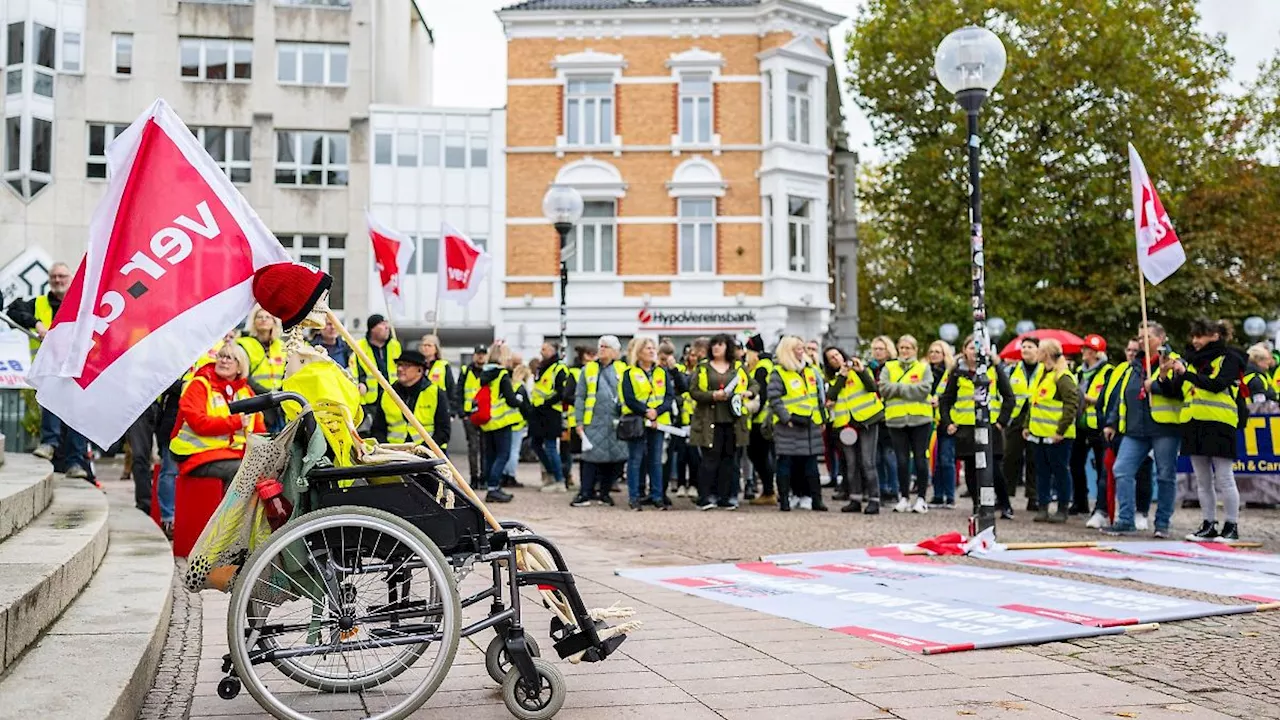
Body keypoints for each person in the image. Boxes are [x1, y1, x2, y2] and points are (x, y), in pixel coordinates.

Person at [11, 263, 92, 479]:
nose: (58, 280)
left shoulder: (83, 305)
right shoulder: (39, 304)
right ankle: (50, 444)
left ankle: (75, 463)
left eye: (62, 276)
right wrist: (36, 324)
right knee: (52, 406)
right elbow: (13, 310)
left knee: (75, 417)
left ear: (71, 278)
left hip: (76, 370)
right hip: (50, 370)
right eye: (54, 276)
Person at [1102, 321, 1183, 537]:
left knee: (1165, 475)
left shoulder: (1174, 361)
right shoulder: (1135, 365)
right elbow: (1122, 395)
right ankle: (1126, 519)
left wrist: (1154, 385)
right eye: (1139, 338)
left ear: (1161, 338)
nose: (1141, 341)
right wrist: (1111, 422)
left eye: (1146, 337)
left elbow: (1179, 389)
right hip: (1135, 428)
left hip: (1164, 427)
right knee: (1122, 469)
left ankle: (1162, 523)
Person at [1174, 319, 1246, 542]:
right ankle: (1208, 524)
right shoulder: (1190, 360)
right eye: (1193, 336)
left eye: (1200, 336)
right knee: (1202, 480)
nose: (1195, 341)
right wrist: (1167, 376)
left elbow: (1217, 384)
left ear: (1215, 335)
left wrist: (1185, 373)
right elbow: (1178, 391)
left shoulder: (1230, 357)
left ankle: (1231, 526)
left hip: (1219, 422)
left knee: (1224, 477)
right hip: (1194, 422)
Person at [169, 343, 265, 487]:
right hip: (196, 456)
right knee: (240, 472)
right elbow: (198, 423)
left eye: (230, 358)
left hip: (231, 456)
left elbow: (259, 432)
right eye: (221, 356)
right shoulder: (199, 385)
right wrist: (235, 422)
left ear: (240, 367)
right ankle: (230, 511)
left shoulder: (246, 392)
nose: (223, 360)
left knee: (265, 473)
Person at [940, 335, 1015, 518]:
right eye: (971, 348)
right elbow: (946, 400)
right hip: (966, 429)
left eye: (978, 348)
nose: (974, 352)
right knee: (972, 471)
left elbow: (1009, 397)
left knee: (994, 469)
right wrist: (949, 422)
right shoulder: (957, 372)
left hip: (990, 427)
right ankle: (977, 506)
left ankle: (1004, 504)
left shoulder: (994, 370)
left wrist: (1001, 422)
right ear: (964, 350)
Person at [690, 334, 751, 510]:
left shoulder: (738, 367)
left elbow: (753, 385)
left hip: (733, 419)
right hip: (709, 419)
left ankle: (727, 496)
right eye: (714, 345)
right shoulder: (703, 367)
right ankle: (706, 496)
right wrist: (712, 396)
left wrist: (748, 393)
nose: (716, 347)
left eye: (721, 345)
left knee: (729, 460)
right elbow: (693, 391)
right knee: (709, 459)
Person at [768, 335, 827, 511]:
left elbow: (817, 397)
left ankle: (816, 499)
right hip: (790, 424)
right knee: (785, 462)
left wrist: (822, 418)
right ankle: (785, 499)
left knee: (811, 464)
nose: (802, 352)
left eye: (802, 348)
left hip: (810, 424)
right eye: (798, 349)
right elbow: (774, 399)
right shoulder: (779, 372)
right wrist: (786, 418)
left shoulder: (809, 371)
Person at [825, 346, 885, 514]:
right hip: (846, 425)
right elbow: (831, 395)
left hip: (866, 420)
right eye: (831, 358)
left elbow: (872, 387)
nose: (835, 358)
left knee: (867, 462)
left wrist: (861, 371)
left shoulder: (860, 370)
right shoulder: (833, 378)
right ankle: (855, 498)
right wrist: (842, 376)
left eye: (837, 354)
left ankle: (874, 499)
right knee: (851, 464)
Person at [1025, 339, 1079, 523]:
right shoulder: (1043, 373)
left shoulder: (1062, 376)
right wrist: (1027, 426)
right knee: (1042, 472)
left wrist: (1061, 430)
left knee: (1060, 471)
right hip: (1039, 433)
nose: (1036, 353)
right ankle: (1043, 507)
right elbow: (1034, 402)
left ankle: (1063, 508)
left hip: (1057, 436)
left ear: (1046, 353)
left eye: (1039, 350)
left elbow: (1071, 404)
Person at [571, 336, 628, 507]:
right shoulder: (588, 369)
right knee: (590, 459)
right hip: (593, 421)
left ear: (615, 351)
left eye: (606, 346)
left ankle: (605, 492)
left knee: (615, 459)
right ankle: (585, 492)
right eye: (600, 346)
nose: (601, 349)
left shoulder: (622, 369)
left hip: (615, 421)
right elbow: (580, 396)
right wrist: (578, 420)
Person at [879, 335, 933, 513]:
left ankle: (921, 498)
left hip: (920, 419)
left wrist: (898, 388)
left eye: (908, 348)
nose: (904, 351)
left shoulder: (923, 367)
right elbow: (884, 389)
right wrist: (908, 389)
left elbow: (924, 389)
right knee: (901, 460)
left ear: (915, 350)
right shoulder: (889, 367)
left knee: (920, 458)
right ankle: (903, 496)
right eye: (902, 348)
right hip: (896, 419)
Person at [620, 336, 673, 510]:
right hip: (637, 422)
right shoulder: (629, 373)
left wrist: (657, 412)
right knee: (635, 459)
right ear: (639, 352)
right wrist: (646, 411)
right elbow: (629, 398)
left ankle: (657, 496)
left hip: (658, 422)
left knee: (656, 460)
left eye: (653, 348)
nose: (652, 351)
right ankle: (634, 497)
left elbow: (668, 396)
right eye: (647, 348)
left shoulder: (661, 372)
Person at [127, 379, 183, 535]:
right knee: (140, 458)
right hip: (139, 405)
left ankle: (159, 509)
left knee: (166, 461)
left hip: (163, 409)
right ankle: (145, 505)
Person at [1073, 334, 1115, 524]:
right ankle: (1080, 502)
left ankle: (1101, 508)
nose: (1084, 352)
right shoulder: (1079, 372)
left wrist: (1087, 398)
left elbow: (1108, 399)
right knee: (1075, 465)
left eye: (1088, 349)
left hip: (1098, 427)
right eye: (1084, 348)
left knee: (1102, 469)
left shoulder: (1108, 372)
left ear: (1097, 354)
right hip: (1080, 425)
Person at [475, 342, 524, 503]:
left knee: (490, 456)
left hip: (488, 422)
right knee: (503, 455)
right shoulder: (502, 374)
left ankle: (491, 487)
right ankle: (494, 488)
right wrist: (519, 398)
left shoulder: (485, 373)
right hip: (501, 421)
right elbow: (510, 399)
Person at [1004, 337, 1043, 510]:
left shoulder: (1045, 370)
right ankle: (1005, 495)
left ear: (1038, 350)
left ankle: (1033, 496)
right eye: (1023, 346)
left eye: (1030, 347)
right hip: (1015, 418)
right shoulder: (1012, 370)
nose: (1025, 349)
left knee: (1034, 460)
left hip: (1037, 418)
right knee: (1010, 457)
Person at [383, 350, 451, 450]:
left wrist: (423, 450)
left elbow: (443, 431)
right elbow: (378, 429)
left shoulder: (435, 393)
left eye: (406, 365)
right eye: (399, 365)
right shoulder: (388, 394)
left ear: (420, 370)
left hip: (427, 455)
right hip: (393, 455)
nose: (400, 369)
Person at [350, 314, 401, 441]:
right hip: (368, 402)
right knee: (366, 436)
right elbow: (353, 370)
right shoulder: (359, 346)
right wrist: (358, 385)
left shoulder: (395, 345)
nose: (387, 327)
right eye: (382, 324)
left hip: (392, 398)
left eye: (387, 324)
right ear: (373, 328)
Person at [237, 306, 287, 433]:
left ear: (274, 322)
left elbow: (288, 372)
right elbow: (243, 374)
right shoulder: (244, 344)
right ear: (253, 322)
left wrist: (281, 393)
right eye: (259, 317)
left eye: (267, 317)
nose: (263, 320)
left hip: (280, 402)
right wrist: (267, 393)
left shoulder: (282, 346)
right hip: (256, 399)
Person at [529, 341, 569, 493]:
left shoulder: (559, 368)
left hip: (551, 411)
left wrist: (545, 403)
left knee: (551, 446)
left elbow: (561, 392)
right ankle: (551, 474)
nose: (541, 352)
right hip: (539, 412)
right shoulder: (542, 367)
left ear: (553, 350)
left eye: (544, 349)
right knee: (535, 444)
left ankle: (559, 480)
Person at [743, 334, 777, 506]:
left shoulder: (762, 367)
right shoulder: (767, 364)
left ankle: (769, 491)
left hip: (761, 420)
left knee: (760, 455)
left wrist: (753, 415)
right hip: (765, 418)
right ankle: (768, 489)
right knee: (762, 455)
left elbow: (762, 394)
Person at [867, 335, 899, 500]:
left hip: (889, 415)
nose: (878, 352)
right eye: (875, 349)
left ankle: (894, 489)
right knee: (876, 456)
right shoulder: (869, 368)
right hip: (873, 415)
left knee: (889, 455)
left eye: (881, 349)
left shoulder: (893, 367)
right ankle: (881, 488)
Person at [657, 341, 688, 505]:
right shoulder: (655, 371)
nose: (663, 363)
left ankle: (663, 490)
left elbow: (684, 388)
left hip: (674, 419)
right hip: (659, 418)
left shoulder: (677, 370)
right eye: (661, 359)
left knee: (668, 457)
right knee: (656, 457)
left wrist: (674, 370)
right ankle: (655, 489)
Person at [926, 340, 956, 507]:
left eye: (937, 352)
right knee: (935, 460)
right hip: (929, 420)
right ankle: (938, 495)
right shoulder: (925, 371)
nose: (934, 355)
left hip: (945, 420)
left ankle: (950, 496)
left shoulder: (951, 372)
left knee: (946, 459)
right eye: (931, 351)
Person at [457, 345, 489, 489]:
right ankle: (474, 477)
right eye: (478, 354)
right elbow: (459, 392)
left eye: (483, 354)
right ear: (474, 355)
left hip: (484, 415)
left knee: (485, 447)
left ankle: (484, 478)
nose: (480, 357)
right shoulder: (465, 371)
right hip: (470, 415)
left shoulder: (489, 372)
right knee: (473, 447)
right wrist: (462, 413)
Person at [503, 361, 533, 487]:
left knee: (506, 451)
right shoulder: (521, 387)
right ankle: (510, 476)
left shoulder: (510, 385)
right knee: (514, 451)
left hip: (506, 422)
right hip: (517, 423)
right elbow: (525, 407)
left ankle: (504, 475)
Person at [418, 334, 457, 409]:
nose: (425, 348)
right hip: (420, 408)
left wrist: (452, 411)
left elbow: (451, 389)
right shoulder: (417, 366)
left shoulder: (443, 365)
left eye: (429, 345)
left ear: (436, 349)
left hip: (439, 407)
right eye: (423, 345)